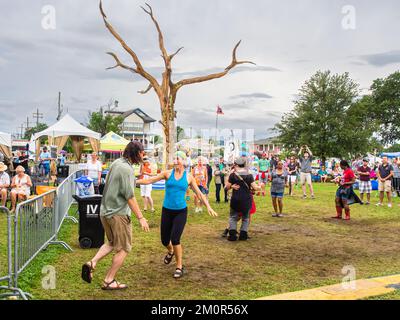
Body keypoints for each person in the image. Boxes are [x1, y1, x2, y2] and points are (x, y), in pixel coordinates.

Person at [81, 141, 150, 290]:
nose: (143, 155)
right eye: (142, 152)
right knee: (124, 248)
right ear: (136, 153)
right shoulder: (126, 169)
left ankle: (92, 263)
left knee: (112, 242)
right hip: (118, 214)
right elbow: (130, 197)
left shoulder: (117, 163)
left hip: (105, 212)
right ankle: (109, 280)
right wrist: (141, 217)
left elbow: (121, 183)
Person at [137, 151, 217, 278]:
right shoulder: (167, 173)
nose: (175, 161)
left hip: (181, 212)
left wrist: (208, 207)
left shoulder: (189, 177)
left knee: (175, 239)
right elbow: (150, 180)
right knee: (164, 240)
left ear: (184, 161)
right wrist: (134, 181)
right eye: (174, 158)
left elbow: (199, 194)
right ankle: (170, 251)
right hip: (167, 211)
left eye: (177, 158)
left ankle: (179, 266)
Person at [225, 157, 263, 241]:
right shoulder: (249, 175)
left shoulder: (233, 175)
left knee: (233, 217)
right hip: (246, 199)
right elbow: (255, 188)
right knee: (246, 218)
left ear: (236, 164)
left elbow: (226, 187)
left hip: (235, 199)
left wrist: (232, 186)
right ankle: (243, 235)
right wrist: (260, 186)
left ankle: (232, 235)